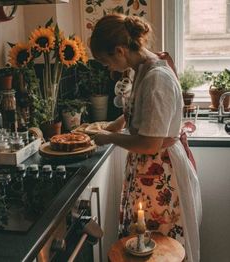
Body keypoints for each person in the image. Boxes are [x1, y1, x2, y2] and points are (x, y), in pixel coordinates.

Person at [90, 13, 202, 262]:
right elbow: (138, 113)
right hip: (148, 169)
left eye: (106, 62)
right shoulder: (142, 68)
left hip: (160, 170)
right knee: (141, 244)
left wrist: (108, 138)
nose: (109, 68)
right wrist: (113, 126)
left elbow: (150, 143)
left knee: (155, 246)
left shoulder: (156, 79)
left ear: (119, 50)